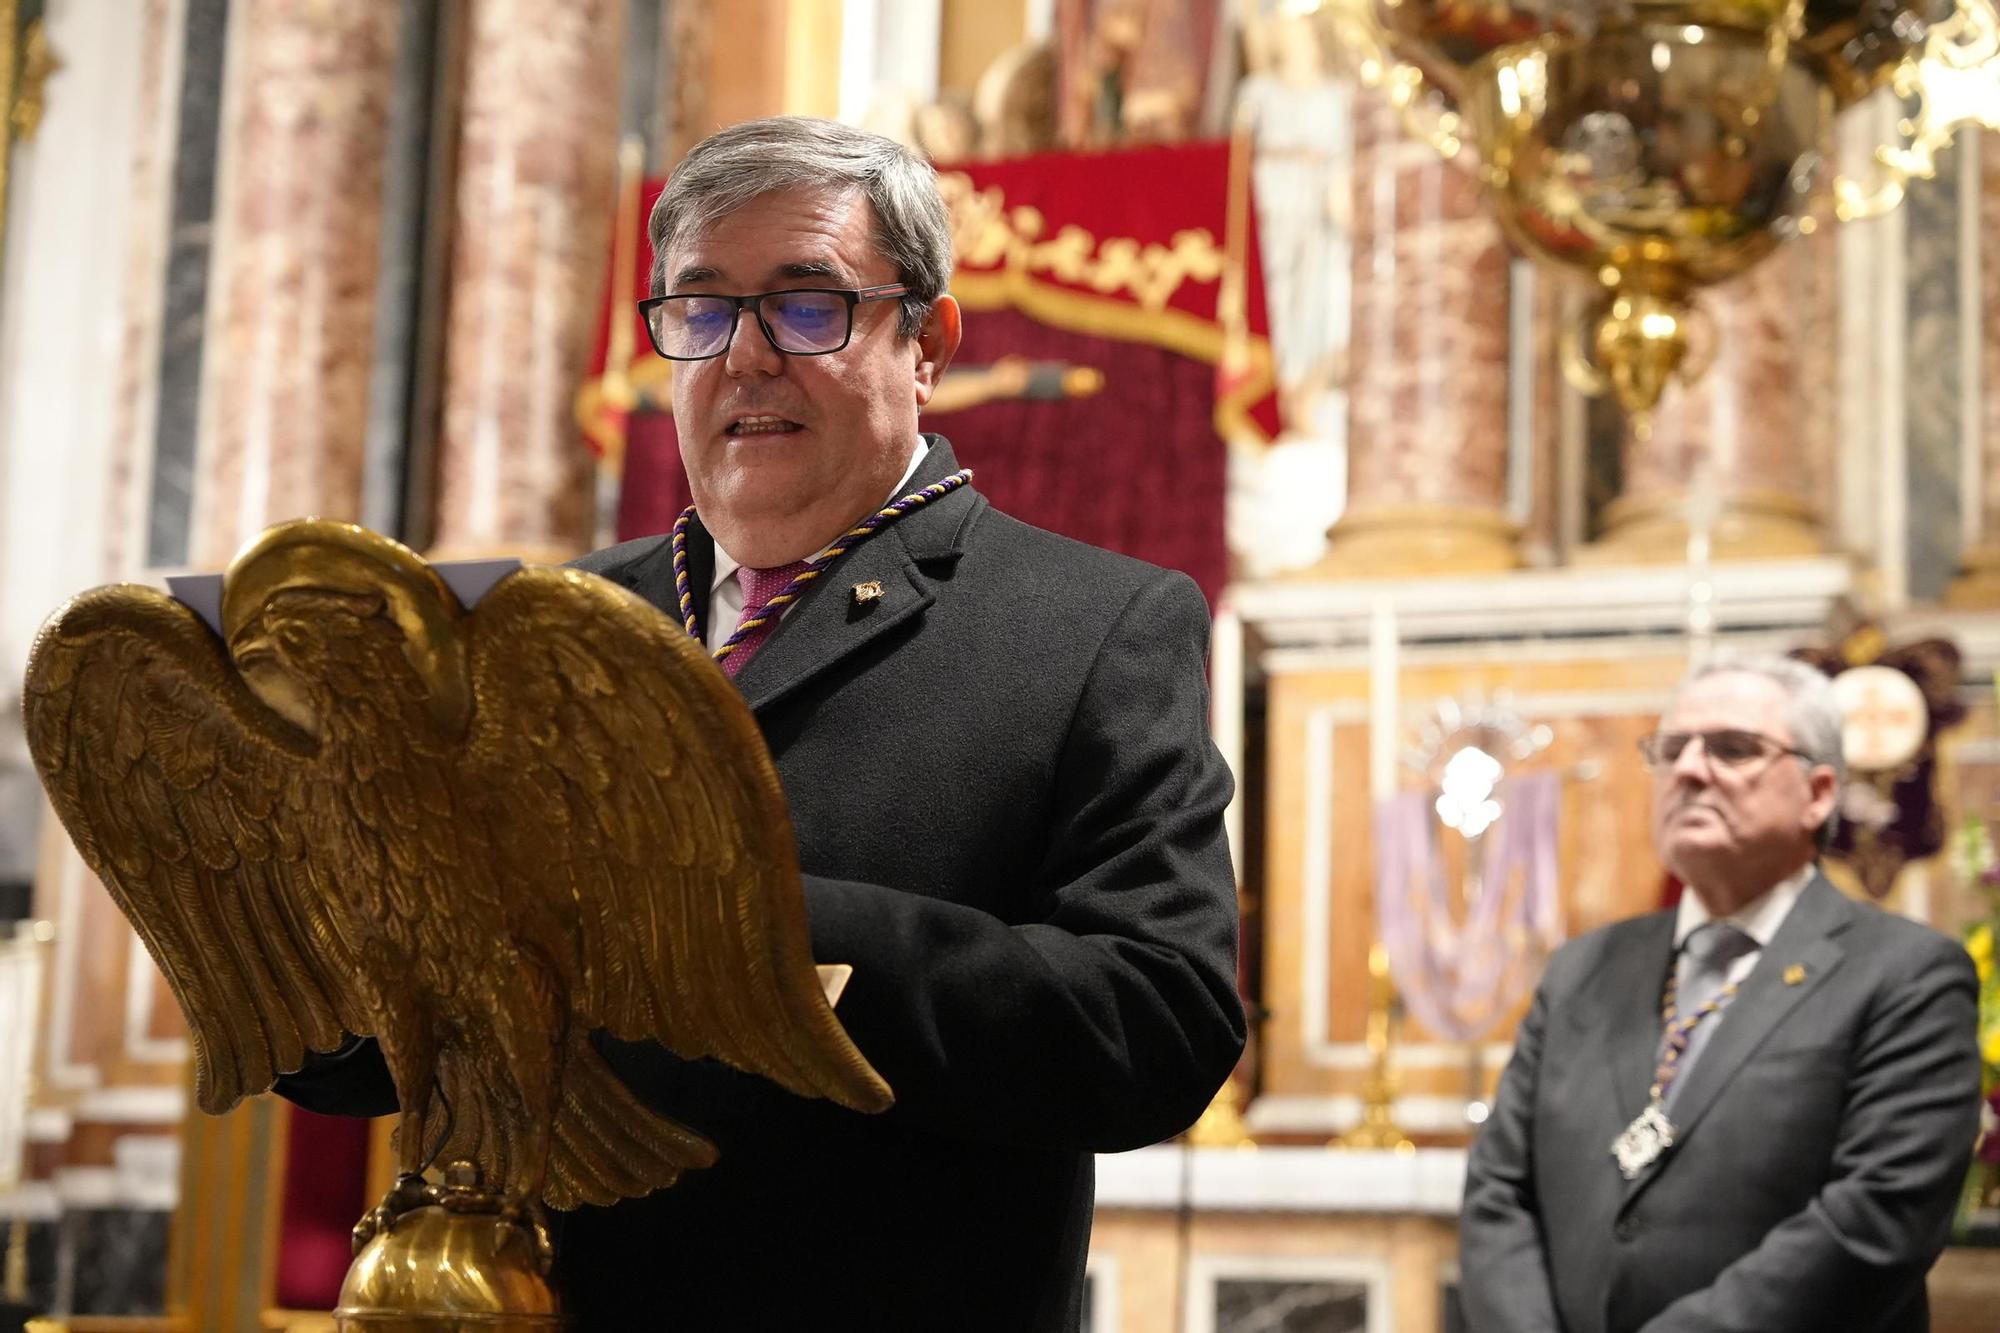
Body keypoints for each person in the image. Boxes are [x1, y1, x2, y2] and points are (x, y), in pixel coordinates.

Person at [280, 115, 1243, 1329]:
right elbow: (370, 1057)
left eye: (806, 306)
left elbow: (1158, 1026)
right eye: (699, 309)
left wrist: (759, 932)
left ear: (927, 340)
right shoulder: (538, 626)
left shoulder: (1092, 626)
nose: (744, 357)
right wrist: (297, 908)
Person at [1459, 654, 1981, 1333]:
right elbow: (1498, 1192)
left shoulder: (1906, 973)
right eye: (1672, 748)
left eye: (1734, 749)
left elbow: (1875, 1219)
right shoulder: (1580, 969)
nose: (1690, 769)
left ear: (1818, 792)